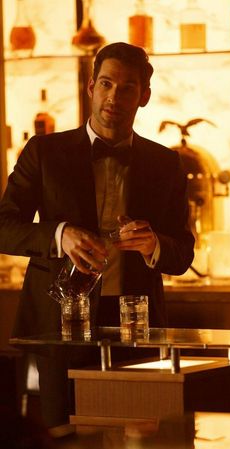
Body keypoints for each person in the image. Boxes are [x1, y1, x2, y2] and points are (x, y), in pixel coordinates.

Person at [0, 42, 194, 433]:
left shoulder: (165, 163)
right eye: (106, 83)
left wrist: (154, 244)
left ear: (144, 96)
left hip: (135, 330)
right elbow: (4, 225)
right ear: (90, 87)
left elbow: (183, 252)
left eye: (127, 88)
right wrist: (59, 234)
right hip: (57, 327)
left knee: (138, 439)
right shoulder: (44, 151)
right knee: (55, 437)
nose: (114, 97)